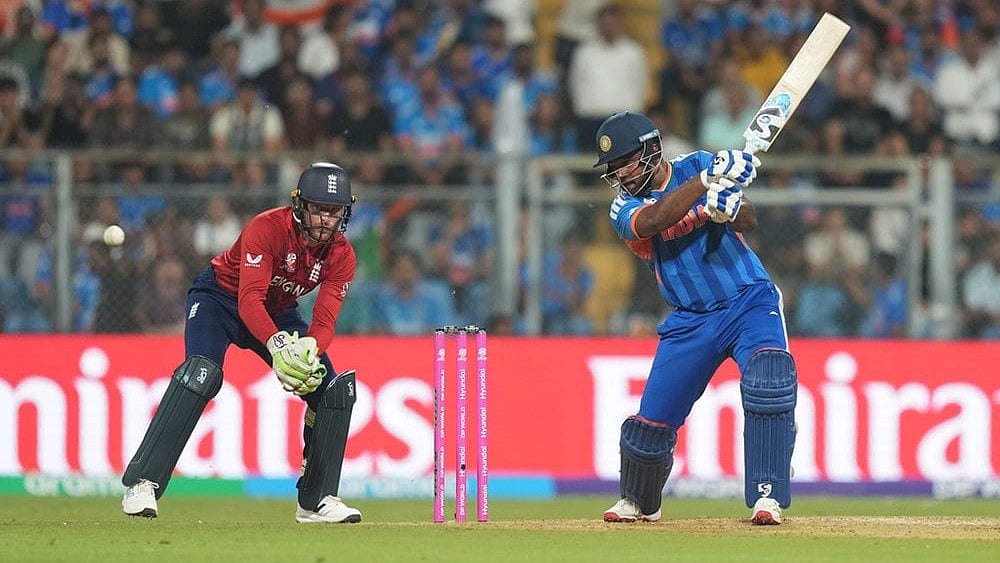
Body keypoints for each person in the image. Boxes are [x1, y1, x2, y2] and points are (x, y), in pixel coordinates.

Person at [121, 162, 363, 524]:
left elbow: (325, 322)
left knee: (331, 389)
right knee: (200, 374)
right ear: (300, 205)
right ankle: (142, 483)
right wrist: (278, 346)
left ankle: (316, 501)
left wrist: (310, 348)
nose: (326, 220)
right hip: (221, 299)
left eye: (334, 211)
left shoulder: (342, 255)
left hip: (279, 311)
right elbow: (249, 300)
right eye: (319, 209)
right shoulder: (267, 227)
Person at [594, 111, 796, 526]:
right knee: (651, 424)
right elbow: (654, 220)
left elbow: (750, 219)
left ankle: (768, 495)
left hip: (748, 300)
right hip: (690, 318)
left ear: (652, 150)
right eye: (614, 168)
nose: (621, 174)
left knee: (768, 378)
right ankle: (639, 500)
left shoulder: (699, 163)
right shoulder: (624, 207)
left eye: (626, 162)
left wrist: (729, 208)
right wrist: (707, 186)